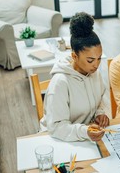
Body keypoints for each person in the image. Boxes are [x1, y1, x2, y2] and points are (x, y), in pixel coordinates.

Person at [40, 12, 109, 142]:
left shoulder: (95, 73)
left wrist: (100, 114)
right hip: (56, 139)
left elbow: (99, 101)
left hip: (83, 137)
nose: (96, 65)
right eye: (90, 60)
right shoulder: (60, 83)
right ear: (74, 56)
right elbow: (55, 127)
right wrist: (84, 131)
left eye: (99, 58)